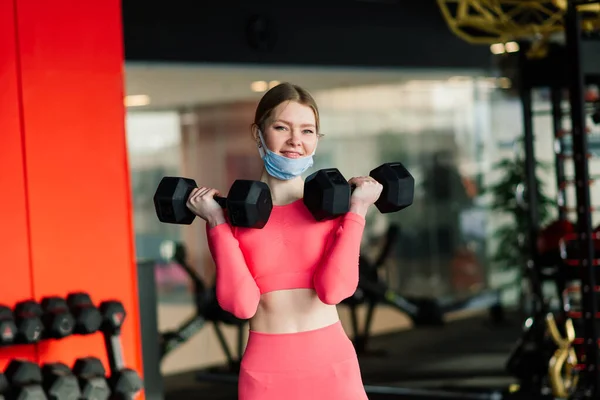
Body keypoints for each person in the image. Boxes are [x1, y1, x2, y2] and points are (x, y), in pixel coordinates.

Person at [186, 82, 382, 400]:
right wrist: (215, 223)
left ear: (317, 139)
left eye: (307, 131)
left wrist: (357, 211)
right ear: (258, 133)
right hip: (266, 375)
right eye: (281, 127)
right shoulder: (233, 218)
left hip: (332, 366)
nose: (295, 141)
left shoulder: (335, 211)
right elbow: (241, 304)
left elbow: (336, 290)